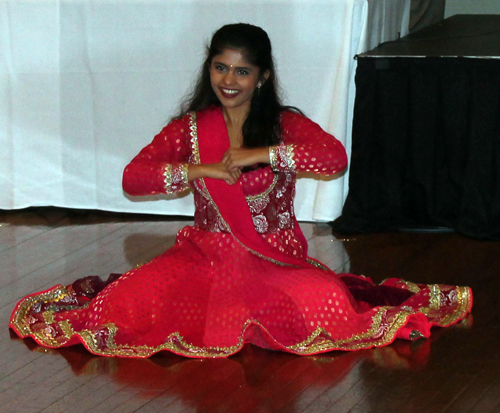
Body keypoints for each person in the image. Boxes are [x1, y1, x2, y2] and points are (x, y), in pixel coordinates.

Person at [10, 23, 472, 358]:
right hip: (203, 258)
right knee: (119, 306)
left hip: (271, 258)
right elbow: (133, 179)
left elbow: (334, 159)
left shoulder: (283, 125)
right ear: (209, 68)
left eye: (242, 72)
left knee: (329, 304)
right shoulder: (191, 128)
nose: (228, 81)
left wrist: (263, 155)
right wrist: (197, 168)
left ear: (263, 77)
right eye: (220, 67)